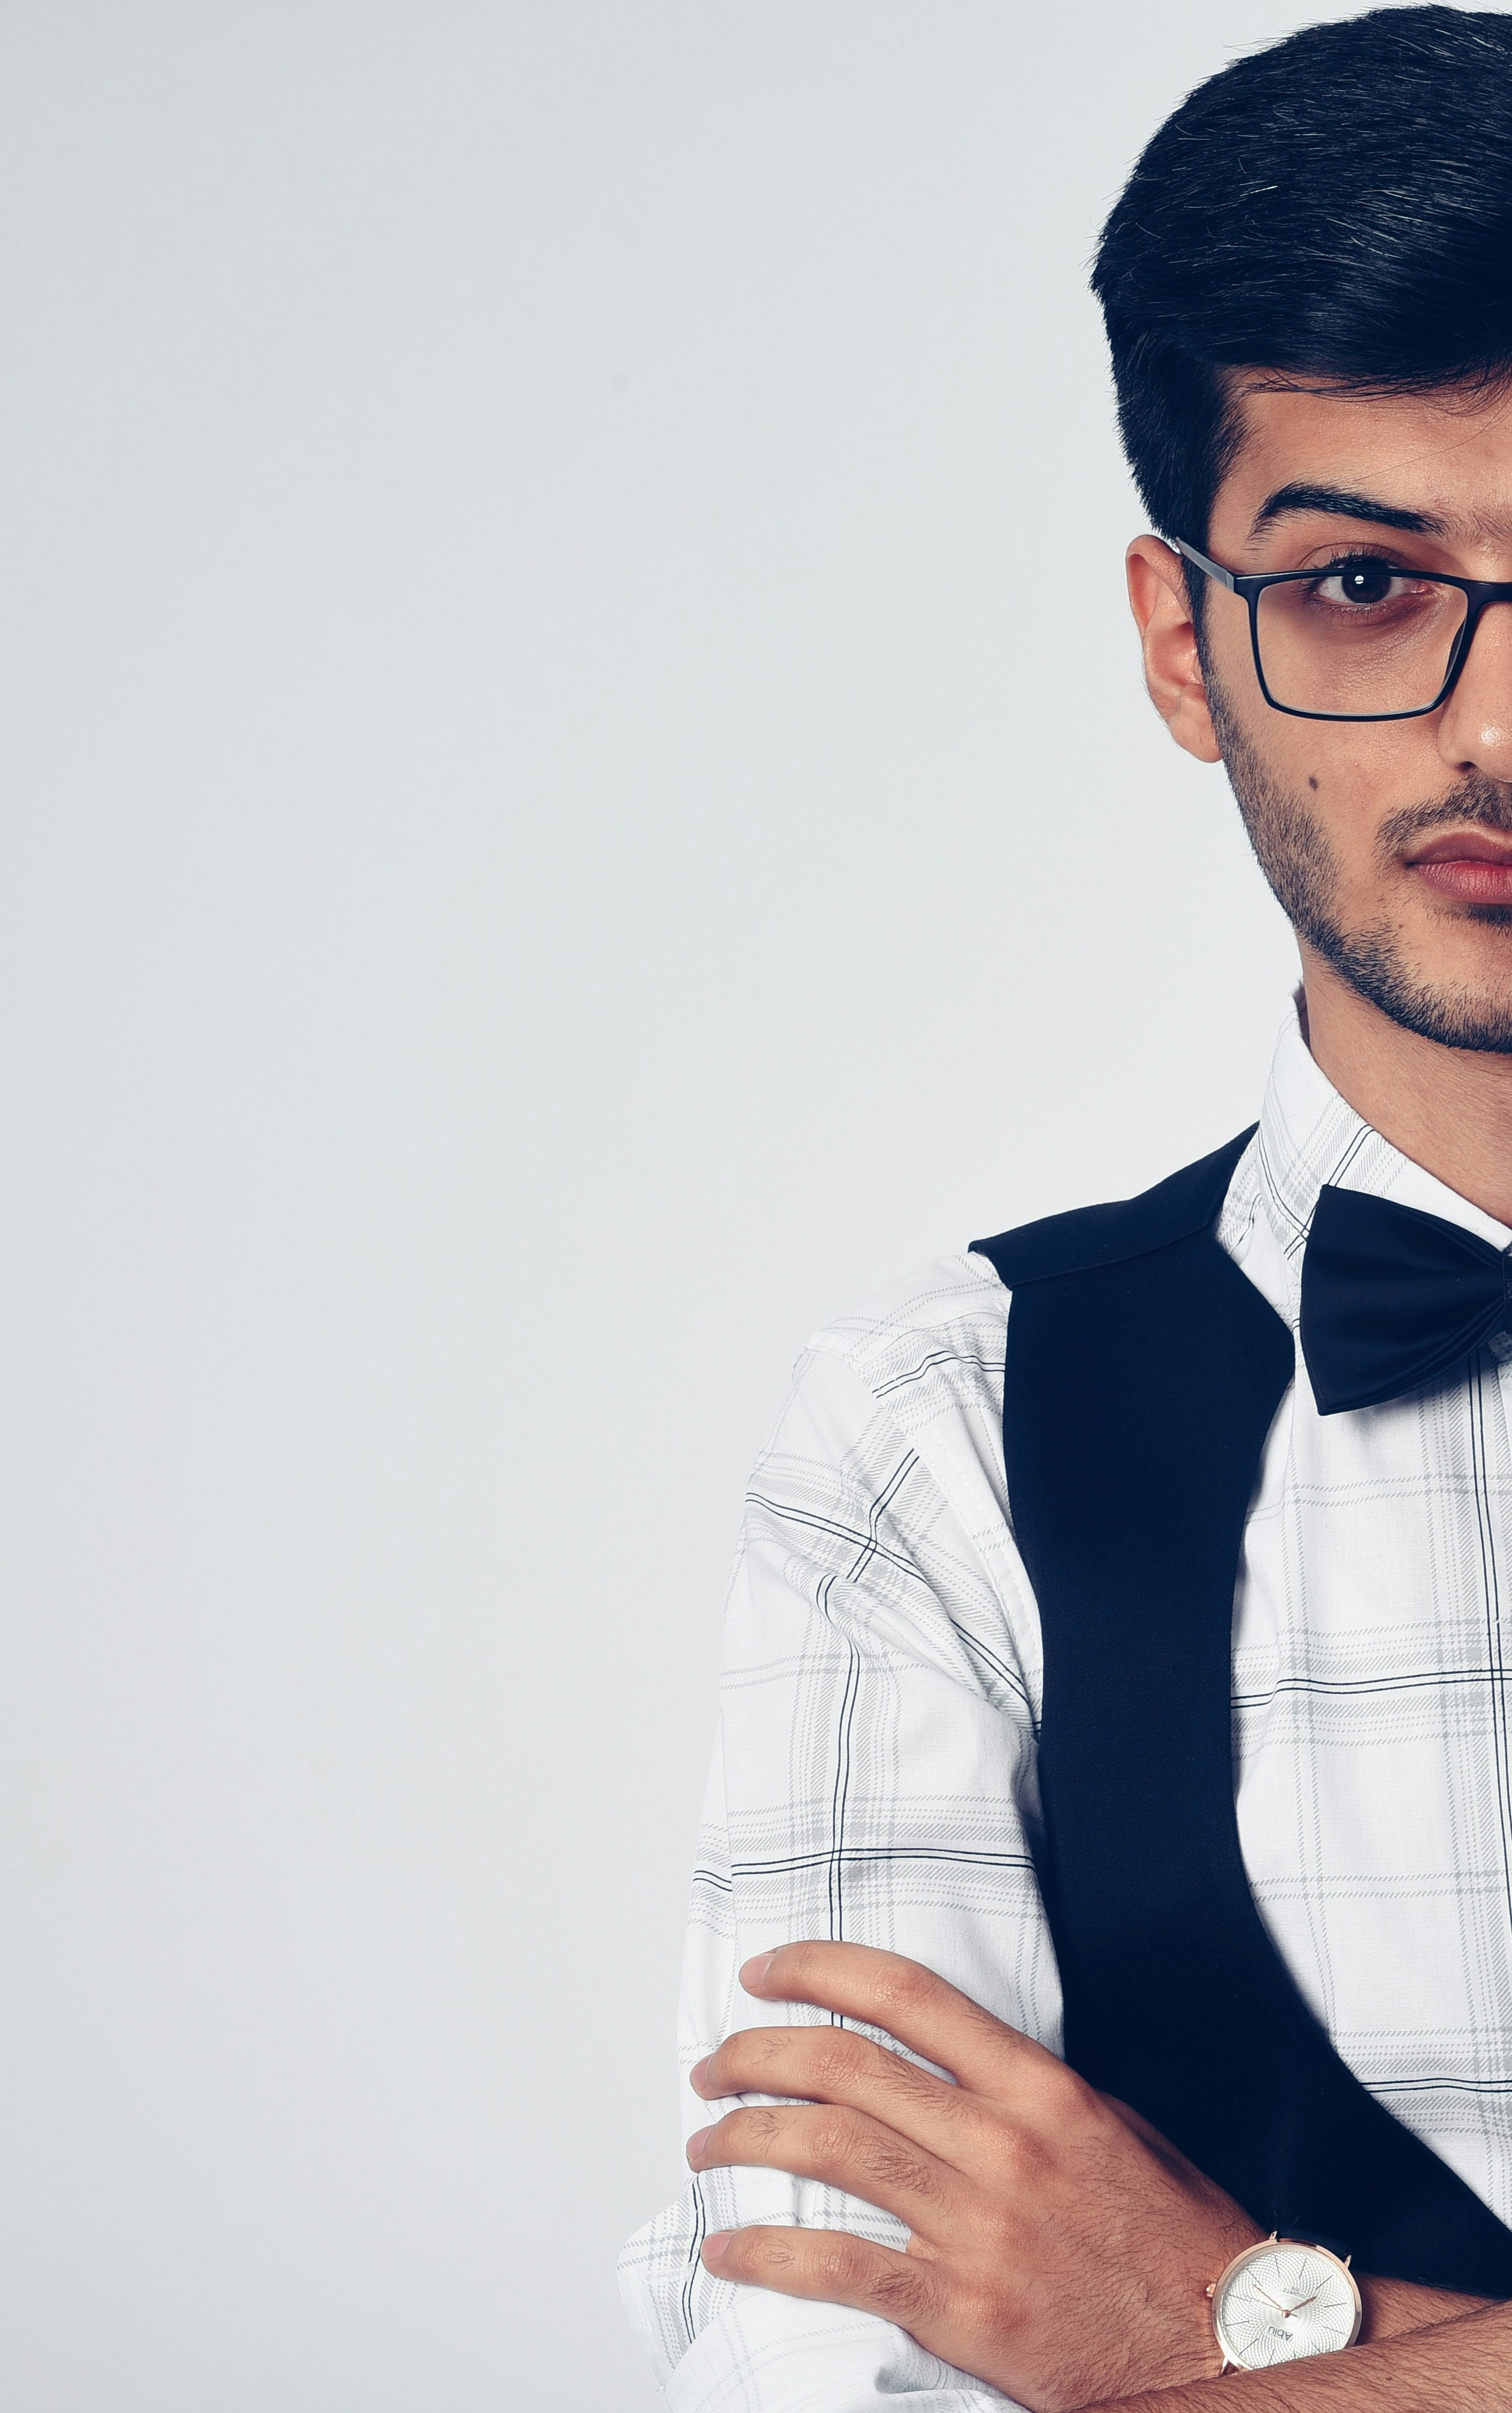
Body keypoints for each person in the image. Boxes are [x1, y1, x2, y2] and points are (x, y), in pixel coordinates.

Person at [618, 8, 1512, 2406]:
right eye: (1357, 584)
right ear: (1179, 640)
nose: (1495, 722)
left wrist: (1239, 2330)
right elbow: (817, 2378)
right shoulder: (937, 1430)